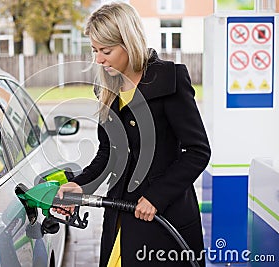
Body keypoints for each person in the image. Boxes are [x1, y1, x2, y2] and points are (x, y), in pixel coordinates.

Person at [55, 2, 211, 267]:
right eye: (94, 50)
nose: (98, 60)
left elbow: (198, 152)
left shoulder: (170, 80)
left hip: (164, 219)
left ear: (129, 42)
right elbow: (107, 153)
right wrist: (80, 186)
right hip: (120, 216)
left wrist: (156, 197)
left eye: (106, 51)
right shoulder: (107, 89)